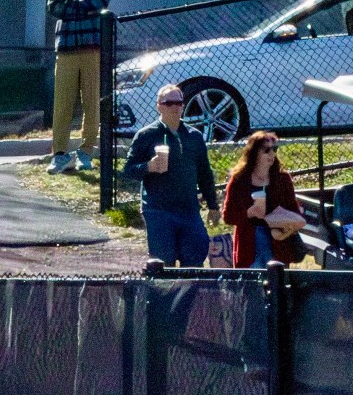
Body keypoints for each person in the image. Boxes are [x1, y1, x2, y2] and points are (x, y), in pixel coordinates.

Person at [122, 85, 221, 267]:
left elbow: (205, 174)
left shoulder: (194, 136)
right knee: (163, 264)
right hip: (158, 210)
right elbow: (128, 171)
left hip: (189, 210)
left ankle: (188, 287)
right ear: (159, 106)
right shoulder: (146, 135)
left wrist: (213, 206)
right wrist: (149, 166)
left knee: (195, 259)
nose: (175, 107)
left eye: (179, 103)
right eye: (169, 103)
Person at [46, 0, 114, 174]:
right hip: (66, 48)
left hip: (92, 48)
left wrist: (73, 2)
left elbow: (99, 3)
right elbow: (54, 8)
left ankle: (86, 152)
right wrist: (82, 4)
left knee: (92, 103)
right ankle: (60, 154)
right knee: (62, 104)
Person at [221, 131, 305, 268]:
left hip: (278, 246)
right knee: (253, 280)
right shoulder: (239, 181)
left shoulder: (282, 179)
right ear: (254, 153)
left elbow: (294, 210)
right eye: (266, 150)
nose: (272, 154)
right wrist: (250, 212)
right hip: (249, 247)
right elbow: (228, 217)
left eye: (274, 149)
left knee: (276, 279)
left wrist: (286, 229)